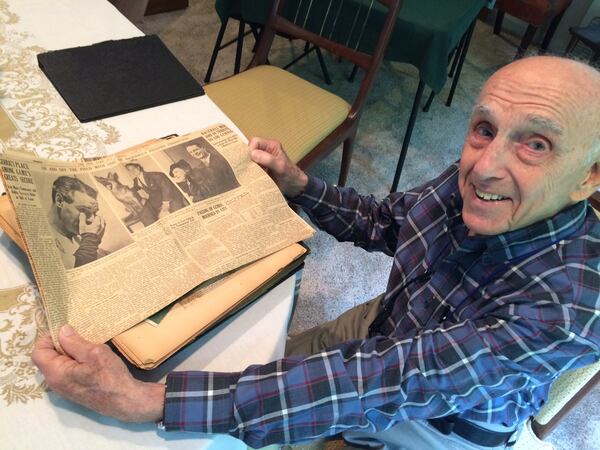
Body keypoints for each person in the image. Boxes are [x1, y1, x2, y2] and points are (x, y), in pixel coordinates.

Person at [32, 56, 600, 449]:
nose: (486, 165)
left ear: (589, 176)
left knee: (204, 425)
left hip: (443, 423)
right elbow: (389, 223)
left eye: (536, 143)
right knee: (217, 367)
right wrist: (301, 185)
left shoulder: (568, 311)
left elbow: (387, 382)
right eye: (483, 129)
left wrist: (146, 404)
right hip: (391, 323)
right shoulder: (478, 178)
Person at [47, 176, 107, 269]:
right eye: (83, 210)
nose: (91, 220)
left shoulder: (77, 237)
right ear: (59, 200)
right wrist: (91, 240)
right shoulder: (43, 236)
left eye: (94, 213)